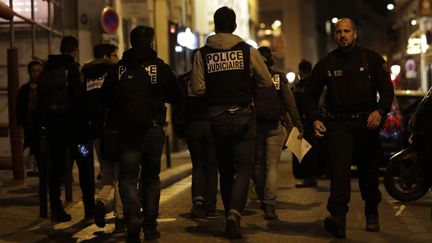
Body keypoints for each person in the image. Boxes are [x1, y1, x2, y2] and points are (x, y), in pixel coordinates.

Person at [303, 18, 394, 238]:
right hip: (339, 125)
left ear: (355, 34)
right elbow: (309, 95)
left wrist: (379, 111)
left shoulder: (371, 59)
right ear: (335, 36)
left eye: (346, 31)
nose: (342, 35)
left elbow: (387, 90)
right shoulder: (327, 62)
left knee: (368, 172)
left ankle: (371, 211)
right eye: (338, 32)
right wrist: (314, 119)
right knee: (339, 171)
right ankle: (338, 218)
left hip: (366, 124)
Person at [191, 6, 273, 239]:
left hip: (216, 118)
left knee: (225, 170)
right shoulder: (248, 51)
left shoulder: (202, 54)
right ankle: (234, 215)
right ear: (235, 26)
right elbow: (267, 81)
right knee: (244, 167)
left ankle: (229, 212)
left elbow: (197, 89)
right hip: (244, 115)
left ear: (214, 26)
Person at [105, 25, 184, 242]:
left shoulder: (119, 69)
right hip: (153, 130)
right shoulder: (160, 67)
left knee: (128, 178)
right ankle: (150, 227)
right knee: (151, 179)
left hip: (127, 132)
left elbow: (106, 99)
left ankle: (132, 216)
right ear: (150, 43)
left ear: (131, 43)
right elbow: (177, 95)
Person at [37, 35, 89, 222]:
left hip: (55, 130)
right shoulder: (74, 69)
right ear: (75, 50)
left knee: (55, 169)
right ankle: (89, 208)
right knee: (84, 160)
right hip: (75, 132)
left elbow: (41, 100)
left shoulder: (48, 69)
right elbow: (78, 100)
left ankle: (56, 209)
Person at [253, 46, 303, 220]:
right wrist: (298, 126)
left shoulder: (250, 77)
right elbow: (290, 103)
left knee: (258, 166)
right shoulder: (277, 77)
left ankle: (262, 197)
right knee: (272, 166)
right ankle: (269, 204)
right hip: (275, 125)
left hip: (255, 126)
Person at [80, 43, 124, 230]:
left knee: (107, 174)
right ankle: (121, 216)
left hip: (95, 133)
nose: (117, 57)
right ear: (107, 56)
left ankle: (101, 203)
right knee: (121, 176)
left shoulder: (86, 75)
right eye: (114, 54)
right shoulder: (113, 72)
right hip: (114, 130)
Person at [173, 49, 218, 219]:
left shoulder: (183, 80)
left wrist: (179, 129)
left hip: (192, 125)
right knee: (212, 166)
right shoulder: (213, 78)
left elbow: (179, 107)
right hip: (212, 124)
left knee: (198, 164)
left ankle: (198, 201)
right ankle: (211, 205)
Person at [292, 59, 319, 187]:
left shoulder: (301, 86)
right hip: (311, 120)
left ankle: (309, 177)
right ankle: (311, 175)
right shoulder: (313, 84)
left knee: (306, 150)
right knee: (308, 149)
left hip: (305, 121)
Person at [16, 58, 44, 177]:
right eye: (33, 71)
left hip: (43, 123)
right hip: (30, 124)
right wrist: (20, 125)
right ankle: (35, 168)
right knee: (33, 148)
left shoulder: (45, 87)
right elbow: (19, 108)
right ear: (29, 72)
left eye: (39, 70)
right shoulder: (24, 89)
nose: (36, 73)